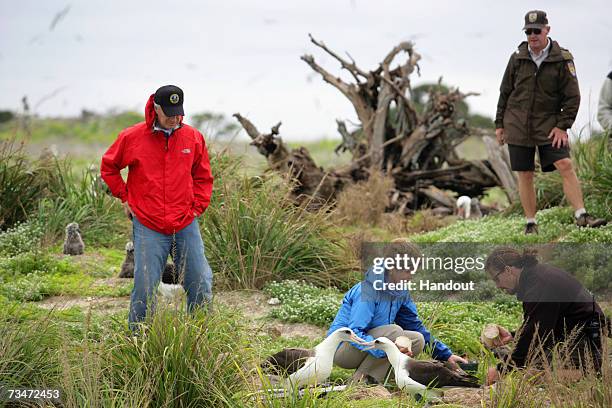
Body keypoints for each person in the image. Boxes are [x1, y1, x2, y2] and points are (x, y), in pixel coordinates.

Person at [101, 85, 214, 330]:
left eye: (178, 113)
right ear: (156, 108)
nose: (175, 118)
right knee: (145, 286)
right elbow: (108, 167)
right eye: (169, 113)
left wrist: (197, 208)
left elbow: (203, 177)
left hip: (185, 222)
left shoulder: (193, 137)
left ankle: (202, 338)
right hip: (148, 224)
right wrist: (124, 196)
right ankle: (139, 342)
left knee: (201, 281)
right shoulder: (131, 137)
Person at [495, 10, 606, 235]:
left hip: (549, 124)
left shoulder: (562, 58)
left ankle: (581, 215)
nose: (532, 35)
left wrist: (562, 125)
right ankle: (530, 223)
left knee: (565, 164)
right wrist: (499, 123)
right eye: (529, 31)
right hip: (517, 123)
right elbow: (505, 91)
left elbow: (573, 97)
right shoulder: (517, 57)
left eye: (537, 31)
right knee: (525, 173)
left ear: (547, 30)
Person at [328, 242, 467, 383]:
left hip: (369, 345)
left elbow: (414, 325)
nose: (411, 275)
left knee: (417, 340)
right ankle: (360, 382)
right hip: (343, 349)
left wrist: (446, 355)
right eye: (407, 270)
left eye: (414, 270)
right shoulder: (367, 290)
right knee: (394, 332)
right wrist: (386, 349)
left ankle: (375, 379)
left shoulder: (400, 291)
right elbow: (354, 332)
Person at [483, 246, 609, 384]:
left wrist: (503, 370)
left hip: (584, 338)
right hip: (570, 334)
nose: (497, 286)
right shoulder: (534, 277)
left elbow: (533, 336)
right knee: (529, 367)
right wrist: (513, 335)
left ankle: (592, 374)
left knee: (532, 376)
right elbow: (538, 325)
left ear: (507, 270)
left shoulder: (539, 284)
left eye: (496, 279)